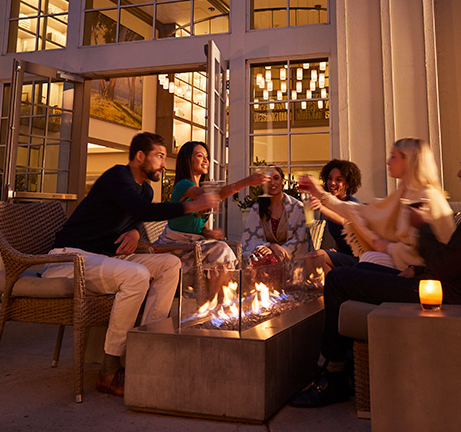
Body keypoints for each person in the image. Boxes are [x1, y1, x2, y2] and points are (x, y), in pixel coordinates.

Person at [290, 136, 461, 407]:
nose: (459, 172)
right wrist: (414, 267)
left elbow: (447, 260)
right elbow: (368, 215)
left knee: (339, 280)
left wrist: (420, 229)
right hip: (434, 282)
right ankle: (340, 366)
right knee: (351, 272)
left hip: (448, 296)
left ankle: (334, 375)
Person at [42, 132, 219, 398]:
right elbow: (140, 210)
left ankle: (146, 351)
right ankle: (110, 369)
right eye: (159, 156)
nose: (163, 163)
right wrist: (191, 206)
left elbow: (135, 215)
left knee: (169, 265)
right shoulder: (117, 177)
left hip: (103, 259)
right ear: (140, 157)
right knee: (136, 275)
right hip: (69, 257)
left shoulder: (145, 190)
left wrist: (136, 232)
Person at [300, 138, 454, 272]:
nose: (388, 161)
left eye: (393, 157)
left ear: (408, 161)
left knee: (346, 271)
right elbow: (359, 212)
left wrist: (388, 248)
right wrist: (320, 193)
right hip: (398, 264)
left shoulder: (427, 197)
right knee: (365, 259)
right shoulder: (404, 193)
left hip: (421, 276)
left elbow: (425, 253)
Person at [154, 141, 267, 301]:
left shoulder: (199, 187)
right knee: (222, 250)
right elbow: (215, 195)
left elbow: (201, 228)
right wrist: (247, 181)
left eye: (207, 156)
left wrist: (209, 232)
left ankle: (219, 303)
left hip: (192, 246)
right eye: (200, 156)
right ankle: (218, 304)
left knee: (225, 251)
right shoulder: (184, 185)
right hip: (173, 247)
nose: (206, 160)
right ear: (188, 160)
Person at [241, 166, 310, 262]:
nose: (272, 183)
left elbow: (301, 239)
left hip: (291, 260)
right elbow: (249, 239)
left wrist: (277, 252)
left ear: (283, 181)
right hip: (265, 259)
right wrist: (271, 246)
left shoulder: (297, 207)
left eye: (276, 178)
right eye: (268, 179)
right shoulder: (257, 208)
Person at [311, 159, 362, 272]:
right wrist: (336, 251)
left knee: (317, 256)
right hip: (344, 256)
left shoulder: (352, 204)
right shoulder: (331, 205)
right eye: (330, 178)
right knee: (315, 258)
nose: (332, 183)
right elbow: (340, 236)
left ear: (347, 184)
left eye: (338, 180)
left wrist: (321, 208)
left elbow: (344, 222)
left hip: (359, 260)